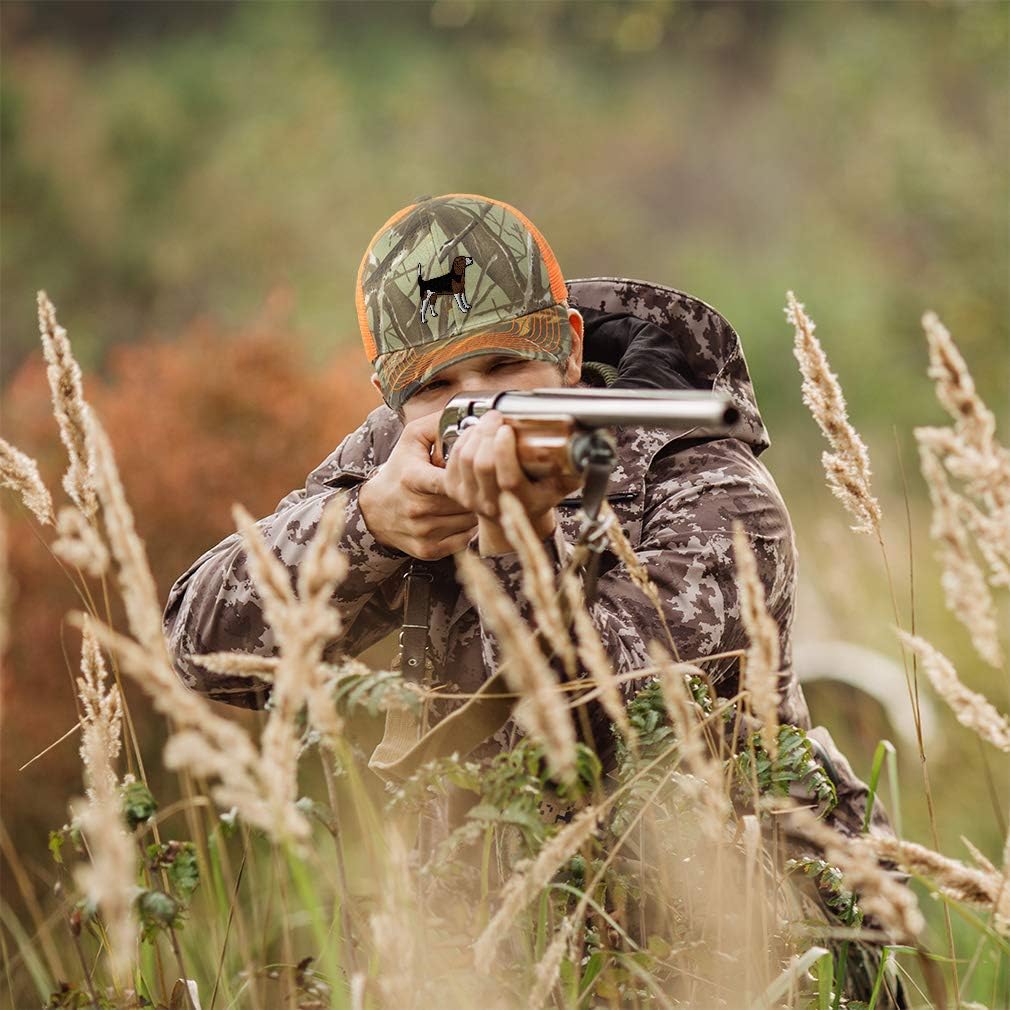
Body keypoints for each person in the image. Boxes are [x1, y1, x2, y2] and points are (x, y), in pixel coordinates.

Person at [162, 195, 904, 1001]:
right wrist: (366, 526)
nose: (481, 405)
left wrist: (518, 541)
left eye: (503, 368)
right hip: (477, 962)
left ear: (569, 348)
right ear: (392, 401)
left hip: (716, 957)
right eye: (440, 385)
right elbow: (197, 649)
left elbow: (607, 741)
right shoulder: (398, 461)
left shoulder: (703, 482)